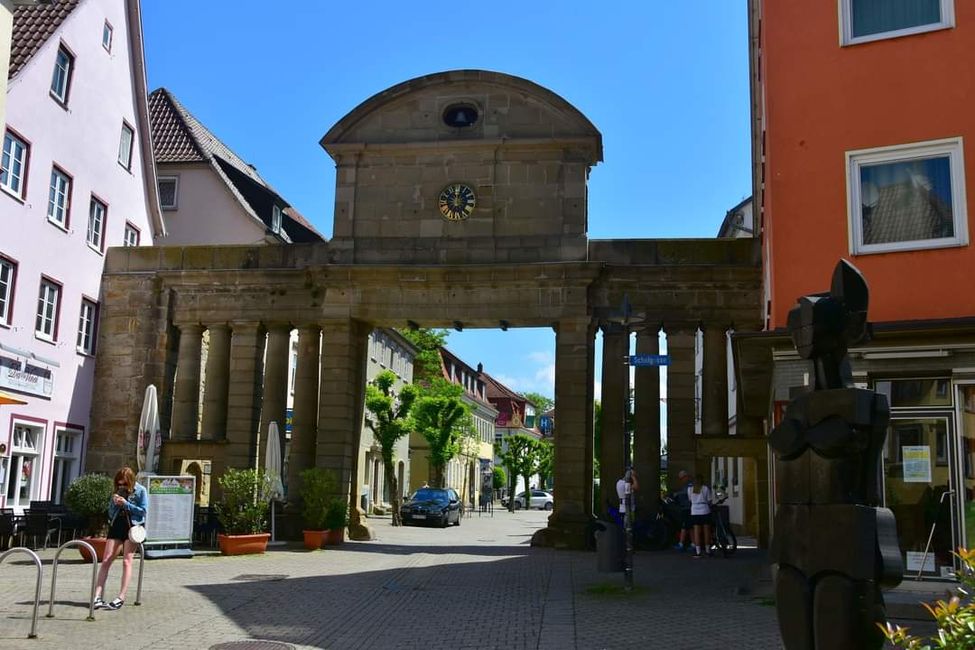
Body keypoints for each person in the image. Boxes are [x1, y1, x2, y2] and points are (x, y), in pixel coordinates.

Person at [93, 467, 147, 610]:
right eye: (119, 484)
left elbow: (143, 511)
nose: (121, 486)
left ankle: (121, 597)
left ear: (130, 482)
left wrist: (127, 504)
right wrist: (114, 503)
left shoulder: (140, 490)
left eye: (124, 484)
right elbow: (110, 514)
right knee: (106, 559)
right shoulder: (117, 491)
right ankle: (97, 596)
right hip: (117, 524)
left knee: (126, 561)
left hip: (133, 527)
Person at [688, 473, 713, 559]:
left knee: (696, 532)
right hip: (705, 510)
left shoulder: (690, 489)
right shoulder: (705, 488)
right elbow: (709, 500)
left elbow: (690, 500)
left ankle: (698, 552)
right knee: (706, 532)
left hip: (694, 511)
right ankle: (708, 550)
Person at [672, 470, 694, 552]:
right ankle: (692, 543)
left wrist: (677, 494)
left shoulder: (690, 485)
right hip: (686, 508)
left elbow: (687, 493)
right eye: (680, 479)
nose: (681, 480)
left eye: (682, 478)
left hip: (688, 508)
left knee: (685, 526)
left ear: (686, 477)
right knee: (689, 527)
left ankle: (682, 544)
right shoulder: (685, 485)